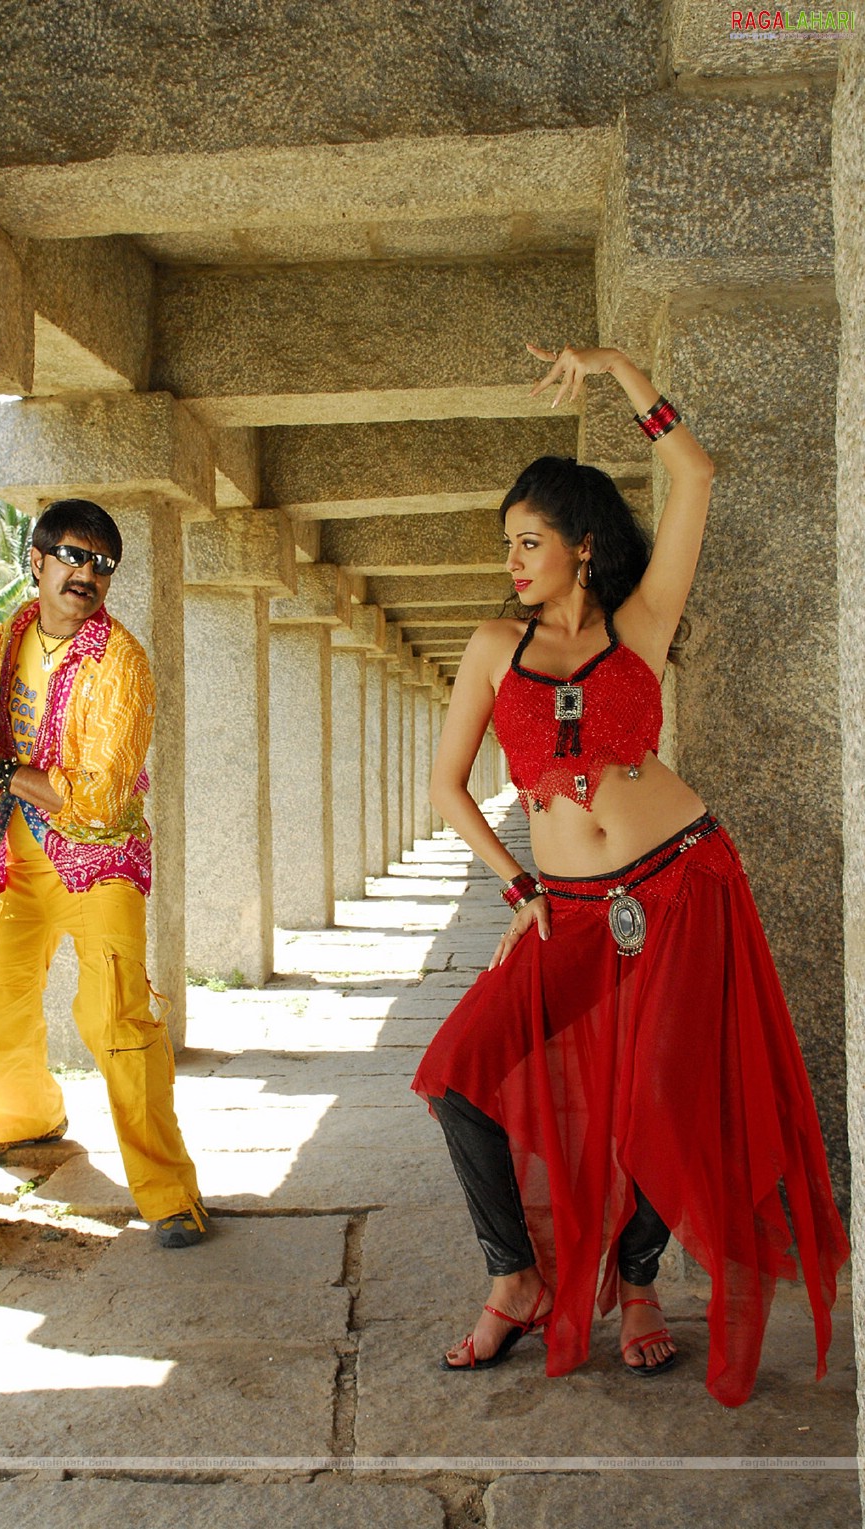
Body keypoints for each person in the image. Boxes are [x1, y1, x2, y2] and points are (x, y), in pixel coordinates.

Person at [412, 344, 849, 1407]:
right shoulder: (491, 644)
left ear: (583, 545)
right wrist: (519, 890)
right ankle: (516, 1277)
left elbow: (695, 474)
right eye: (507, 543)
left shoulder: (639, 625)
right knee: (456, 1076)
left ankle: (639, 1282)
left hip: (683, 884)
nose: (513, 559)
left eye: (530, 540)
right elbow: (448, 789)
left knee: (661, 1091)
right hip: (565, 911)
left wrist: (617, 370)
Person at [0, 498, 206, 1250]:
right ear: (37, 560)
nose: (88, 573)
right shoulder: (24, 624)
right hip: (21, 859)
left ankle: (170, 1194)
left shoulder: (122, 663)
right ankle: (24, 1121)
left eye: (103, 563)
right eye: (73, 555)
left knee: (116, 1020)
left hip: (100, 863)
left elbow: (101, 796)